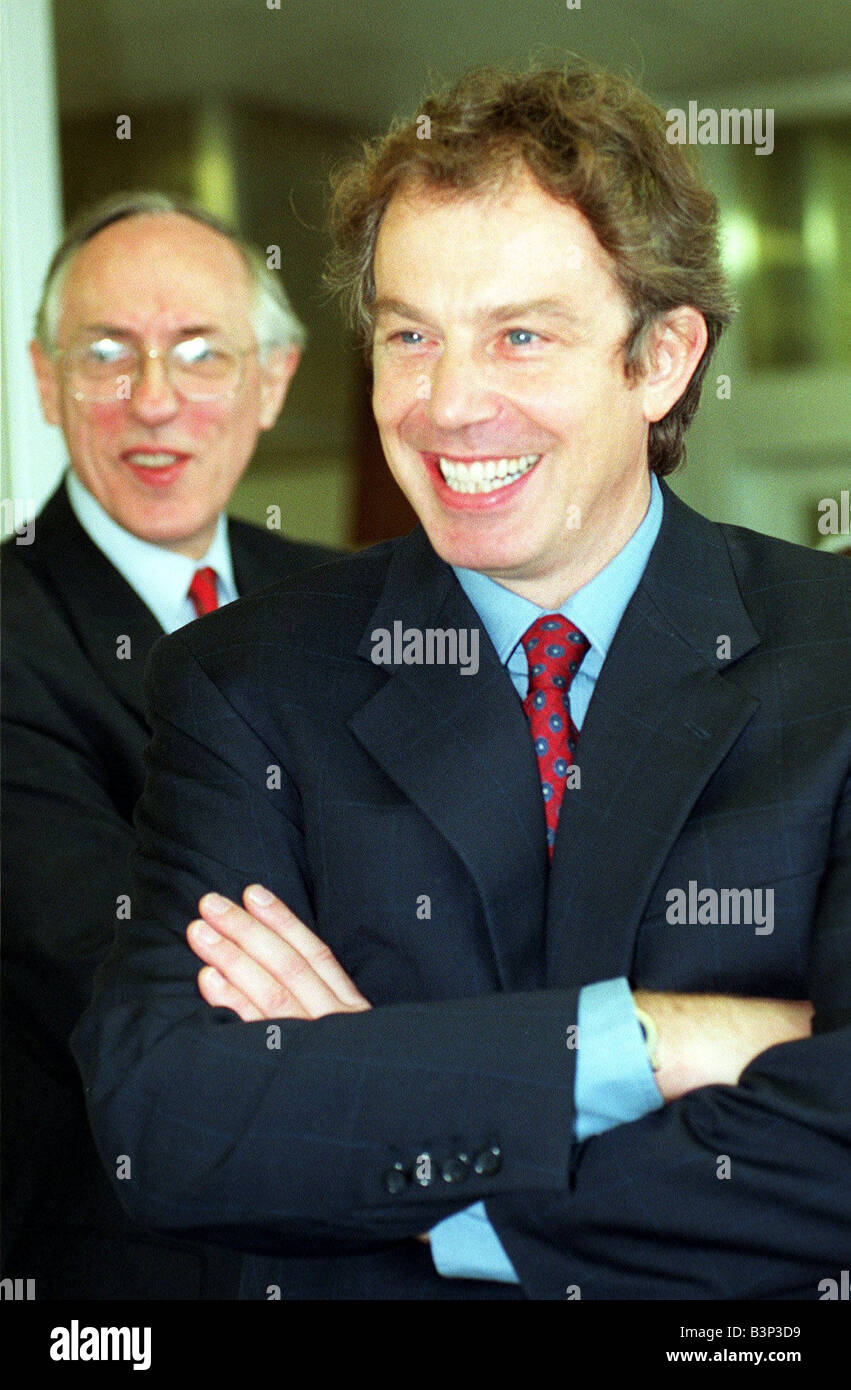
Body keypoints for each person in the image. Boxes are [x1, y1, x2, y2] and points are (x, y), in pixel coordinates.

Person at [74, 69, 849, 1300]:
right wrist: (655, 1040)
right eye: (408, 334)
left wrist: (399, 1152)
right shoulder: (248, 682)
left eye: (519, 335)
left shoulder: (833, 658)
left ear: (659, 358)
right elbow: (173, 1125)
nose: (444, 404)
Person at [1, 193, 335, 1299]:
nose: (155, 401)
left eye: (201, 354)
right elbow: (121, 985)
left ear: (271, 381)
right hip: (116, 1274)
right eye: (107, 354)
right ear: (46, 381)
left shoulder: (349, 603)